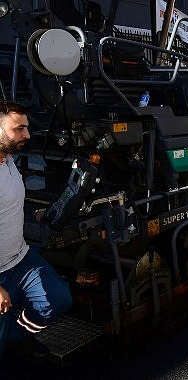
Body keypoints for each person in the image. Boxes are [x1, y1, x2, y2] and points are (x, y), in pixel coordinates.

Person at [0, 100, 72, 360]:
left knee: (57, 298)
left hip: (21, 259)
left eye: (27, 128)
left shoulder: (7, 159)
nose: (27, 135)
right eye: (19, 129)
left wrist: (39, 213)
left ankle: (16, 338)